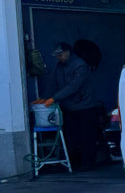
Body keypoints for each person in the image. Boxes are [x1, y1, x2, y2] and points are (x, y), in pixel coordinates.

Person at [36, 42, 99, 170]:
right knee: (70, 135)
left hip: (85, 106)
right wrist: (43, 98)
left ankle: (88, 163)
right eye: (57, 56)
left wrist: (54, 98)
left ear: (68, 52)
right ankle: (73, 162)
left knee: (87, 136)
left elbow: (73, 86)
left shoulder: (81, 65)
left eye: (61, 55)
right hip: (69, 107)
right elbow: (53, 84)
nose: (59, 58)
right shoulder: (59, 67)